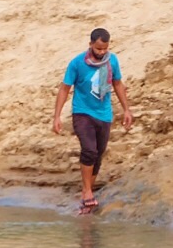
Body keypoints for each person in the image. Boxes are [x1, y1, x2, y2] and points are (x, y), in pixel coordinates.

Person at [51, 27, 134, 215]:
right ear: (90, 45)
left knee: (98, 154)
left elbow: (118, 84)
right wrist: (57, 116)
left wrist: (126, 109)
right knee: (89, 150)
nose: (102, 52)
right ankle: (88, 191)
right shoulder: (77, 63)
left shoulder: (112, 61)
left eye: (105, 48)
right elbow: (64, 89)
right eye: (98, 49)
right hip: (82, 113)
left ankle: (86, 195)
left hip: (104, 114)